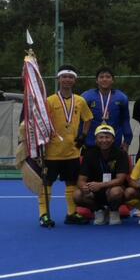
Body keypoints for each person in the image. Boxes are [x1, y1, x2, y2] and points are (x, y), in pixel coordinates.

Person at [41, 64, 94, 226]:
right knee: (47, 183)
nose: (67, 80)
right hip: (51, 151)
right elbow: (42, 122)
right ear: (58, 79)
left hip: (72, 151)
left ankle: (71, 214)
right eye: (64, 77)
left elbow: (88, 118)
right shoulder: (49, 101)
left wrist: (83, 135)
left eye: (70, 77)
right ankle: (44, 215)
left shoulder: (80, 100)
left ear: (75, 80)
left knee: (71, 182)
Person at [74, 124, 130, 226]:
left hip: (113, 189)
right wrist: (84, 187)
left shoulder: (121, 154)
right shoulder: (89, 154)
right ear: (96, 140)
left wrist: (100, 185)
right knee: (77, 195)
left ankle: (114, 211)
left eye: (107, 137)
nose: (104, 140)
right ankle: (99, 210)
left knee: (116, 192)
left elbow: (120, 180)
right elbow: (81, 180)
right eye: (101, 137)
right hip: (94, 190)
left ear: (113, 139)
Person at [82, 66, 133, 152]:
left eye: (108, 77)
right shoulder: (87, 97)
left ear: (113, 80)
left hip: (114, 142)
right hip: (91, 142)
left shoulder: (121, 97)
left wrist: (127, 141)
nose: (104, 79)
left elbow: (125, 120)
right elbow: (81, 120)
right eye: (101, 77)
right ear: (96, 80)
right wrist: (81, 137)